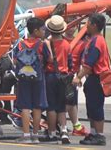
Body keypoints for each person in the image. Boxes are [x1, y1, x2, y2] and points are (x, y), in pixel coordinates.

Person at [73, 13, 111, 146]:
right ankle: (94, 133)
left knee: (96, 107)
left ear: (94, 25)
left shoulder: (96, 41)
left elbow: (89, 64)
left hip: (96, 78)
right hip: (93, 78)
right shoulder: (95, 39)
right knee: (91, 107)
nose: (86, 25)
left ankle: (99, 135)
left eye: (88, 23)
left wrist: (78, 77)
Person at [14, 17, 49, 144]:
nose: (44, 31)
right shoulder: (42, 44)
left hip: (23, 78)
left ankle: (26, 134)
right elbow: (48, 59)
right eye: (42, 29)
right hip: (38, 77)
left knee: (25, 106)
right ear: (36, 31)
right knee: (37, 106)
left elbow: (15, 60)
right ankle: (35, 135)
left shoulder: (20, 44)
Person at [42, 15, 71, 144]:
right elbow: (70, 62)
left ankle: (52, 132)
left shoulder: (47, 44)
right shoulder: (66, 44)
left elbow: (44, 59)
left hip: (50, 75)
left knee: (51, 107)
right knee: (62, 107)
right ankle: (64, 130)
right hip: (64, 77)